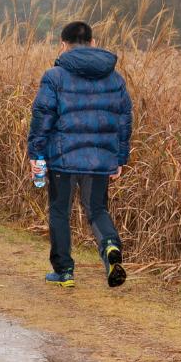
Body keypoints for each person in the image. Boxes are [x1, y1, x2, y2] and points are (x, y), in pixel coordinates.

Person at [27, 21, 132, 289]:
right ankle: (110, 247)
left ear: (63, 45)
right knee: (97, 209)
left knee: (60, 211)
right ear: (93, 42)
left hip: (63, 158)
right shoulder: (115, 78)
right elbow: (123, 120)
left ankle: (64, 272)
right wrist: (119, 157)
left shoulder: (54, 76)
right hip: (99, 159)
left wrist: (36, 154)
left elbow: (42, 118)